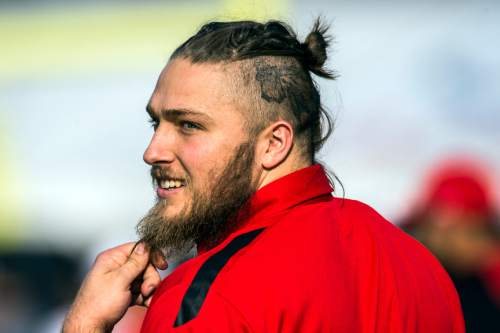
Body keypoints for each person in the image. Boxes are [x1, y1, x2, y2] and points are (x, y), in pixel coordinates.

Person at [62, 19, 464, 332]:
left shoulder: (206, 295)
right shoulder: (420, 266)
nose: (153, 152)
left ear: (274, 143)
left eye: (188, 125)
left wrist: (84, 326)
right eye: (156, 125)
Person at [401, 157, 500, 332]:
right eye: (438, 228)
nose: (448, 241)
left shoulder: (491, 282)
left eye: (460, 229)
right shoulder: (404, 270)